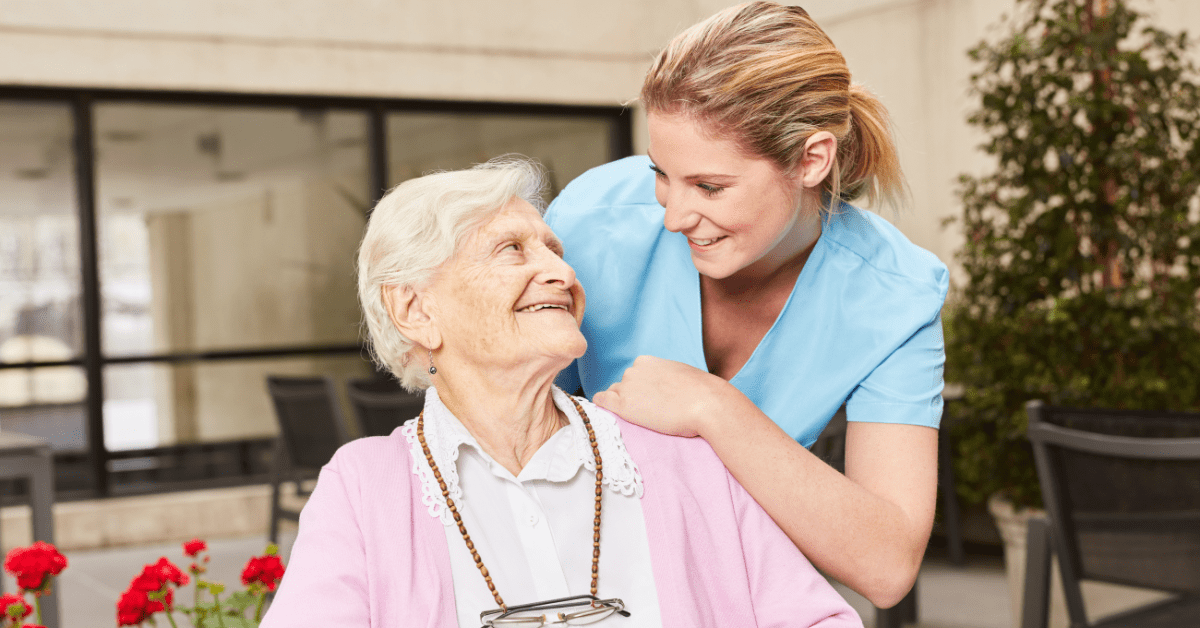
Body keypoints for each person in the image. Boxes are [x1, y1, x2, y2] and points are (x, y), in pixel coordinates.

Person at [261, 157, 861, 627]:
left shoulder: (680, 455)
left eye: (554, 249)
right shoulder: (366, 488)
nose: (560, 272)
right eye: (511, 250)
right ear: (415, 309)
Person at [546, 1, 948, 609]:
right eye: (661, 173)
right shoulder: (593, 222)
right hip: (568, 573)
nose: (675, 216)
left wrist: (714, 407)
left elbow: (888, 564)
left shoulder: (896, 296)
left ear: (812, 159)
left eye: (710, 186)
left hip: (730, 587)